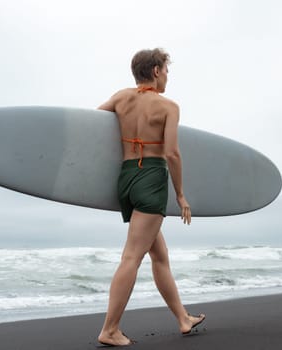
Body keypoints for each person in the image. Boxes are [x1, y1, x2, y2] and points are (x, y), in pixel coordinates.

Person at [97, 48, 205, 346]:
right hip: (152, 179)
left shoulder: (120, 98)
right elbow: (171, 152)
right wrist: (181, 195)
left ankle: (183, 318)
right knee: (132, 256)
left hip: (127, 178)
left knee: (159, 255)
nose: (168, 76)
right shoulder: (168, 107)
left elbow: (92, 127)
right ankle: (110, 329)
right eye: (167, 70)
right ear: (156, 71)